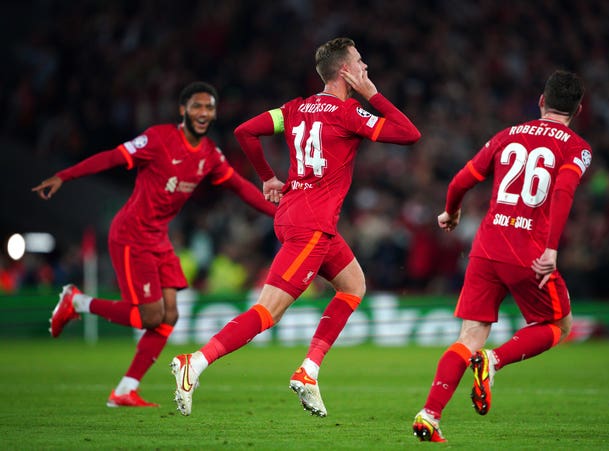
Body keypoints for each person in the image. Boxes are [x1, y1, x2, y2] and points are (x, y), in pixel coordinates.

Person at [169, 37, 421, 416]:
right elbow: (408, 134)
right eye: (360, 62)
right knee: (268, 312)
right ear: (345, 71)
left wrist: (269, 178)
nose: (366, 68)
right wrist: (373, 93)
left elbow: (244, 132)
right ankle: (197, 362)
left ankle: (309, 370)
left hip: (296, 216)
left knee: (353, 286)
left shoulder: (295, 109)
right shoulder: (348, 112)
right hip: (312, 225)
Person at [32, 81, 276, 407]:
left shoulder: (209, 154)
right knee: (150, 316)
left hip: (158, 237)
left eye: (209, 107)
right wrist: (65, 175)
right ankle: (76, 302)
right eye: (197, 106)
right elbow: (112, 158)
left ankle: (124, 390)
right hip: (132, 233)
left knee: (170, 315)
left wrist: (280, 212)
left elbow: (241, 188)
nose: (203, 113)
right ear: (183, 110)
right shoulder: (158, 138)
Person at [412, 70, 591, 442]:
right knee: (560, 326)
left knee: (468, 336)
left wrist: (451, 212)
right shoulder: (577, 147)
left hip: (487, 246)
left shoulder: (507, 135)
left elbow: (461, 180)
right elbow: (563, 192)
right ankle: (494, 361)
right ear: (578, 109)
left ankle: (429, 414)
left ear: (541, 101)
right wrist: (552, 248)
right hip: (529, 253)